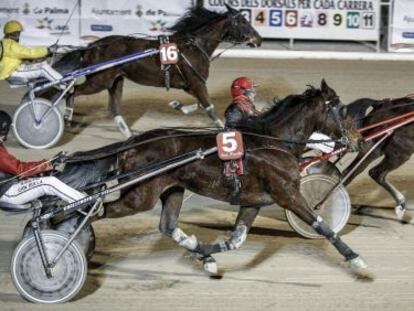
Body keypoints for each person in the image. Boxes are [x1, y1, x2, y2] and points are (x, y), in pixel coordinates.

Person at [0, 111, 85, 208]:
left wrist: (45, 165)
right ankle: (84, 202)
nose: (4, 137)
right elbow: (19, 169)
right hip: (7, 193)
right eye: (4, 133)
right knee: (49, 182)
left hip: (8, 186)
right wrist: (46, 164)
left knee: (44, 178)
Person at [0, 20, 62, 85]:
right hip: (12, 72)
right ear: (10, 34)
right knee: (43, 68)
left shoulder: (5, 43)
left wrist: (43, 55)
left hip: (12, 70)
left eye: (19, 33)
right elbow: (30, 53)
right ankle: (65, 85)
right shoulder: (9, 45)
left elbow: (16, 56)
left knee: (42, 64)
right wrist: (48, 50)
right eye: (17, 33)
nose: (18, 35)